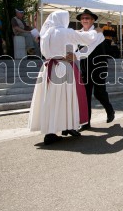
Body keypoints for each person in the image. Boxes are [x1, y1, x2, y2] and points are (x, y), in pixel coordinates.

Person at [28, 10, 104, 145]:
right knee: (66, 98)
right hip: (63, 67)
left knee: (50, 99)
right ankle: (68, 125)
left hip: (47, 68)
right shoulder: (65, 32)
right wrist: (96, 31)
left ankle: (51, 131)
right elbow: (87, 39)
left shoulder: (45, 34)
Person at [76, 9, 116, 131]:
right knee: (85, 94)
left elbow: (88, 48)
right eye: (83, 18)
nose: (85, 20)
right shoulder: (78, 33)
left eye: (87, 18)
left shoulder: (97, 32)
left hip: (99, 66)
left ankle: (109, 109)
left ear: (93, 20)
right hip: (85, 66)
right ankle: (86, 122)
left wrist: (75, 55)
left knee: (99, 92)